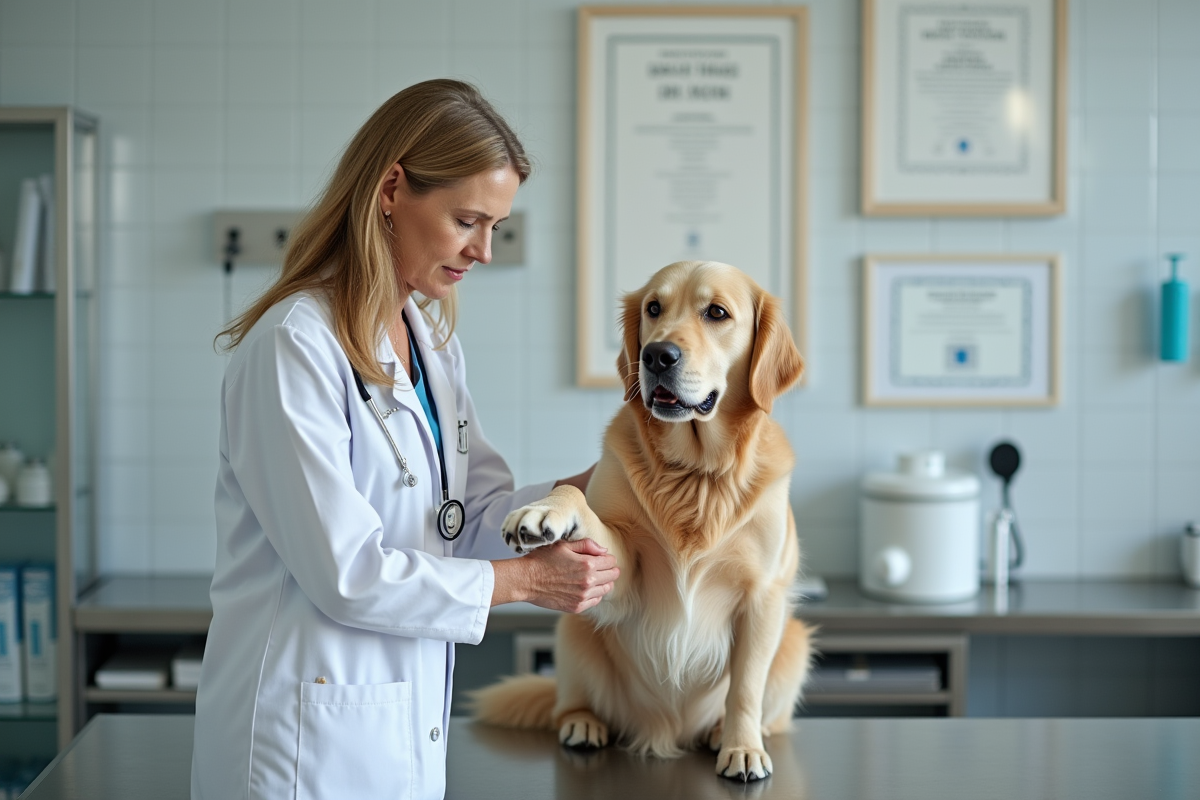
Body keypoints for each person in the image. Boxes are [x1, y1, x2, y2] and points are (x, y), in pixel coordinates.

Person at [191, 79, 618, 800]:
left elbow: (469, 518)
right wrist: (524, 582)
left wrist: (600, 486)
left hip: (396, 728)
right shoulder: (295, 345)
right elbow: (347, 572)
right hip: (299, 745)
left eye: (496, 227)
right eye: (468, 221)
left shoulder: (431, 347)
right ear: (391, 189)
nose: (483, 251)